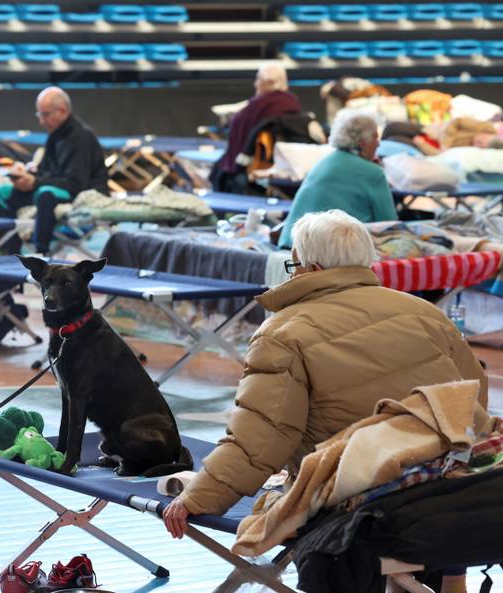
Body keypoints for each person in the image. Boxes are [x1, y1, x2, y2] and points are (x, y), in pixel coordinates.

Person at [163, 209, 487, 539]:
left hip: (350, 496)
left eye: (294, 265)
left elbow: (261, 437)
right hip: (441, 484)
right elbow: (472, 399)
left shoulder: (282, 333)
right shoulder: (426, 313)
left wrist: (198, 497)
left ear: (312, 268)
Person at [0, 86, 109, 255]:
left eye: (45, 114)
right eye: (39, 114)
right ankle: (11, 252)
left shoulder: (81, 137)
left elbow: (75, 183)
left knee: (46, 194)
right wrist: (25, 177)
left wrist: (35, 182)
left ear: (62, 111)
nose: (41, 121)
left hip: (81, 192)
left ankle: (41, 254)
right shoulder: (54, 135)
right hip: (53, 188)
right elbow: (44, 172)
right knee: (1, 193)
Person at [277, 110, 397, 249]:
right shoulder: (373, 172)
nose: (378, 144)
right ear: (363, 143)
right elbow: (389, 225)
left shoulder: (322, 163)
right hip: (330, 253)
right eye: (376, 138)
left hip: (292, 246)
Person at [210, 63, 301, 194]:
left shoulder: (260, 105)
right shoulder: (292, 102)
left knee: (219, 170)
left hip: (253, 165)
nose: (255, 84)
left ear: (269, 82)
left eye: (258, 79)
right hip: (282, 163)